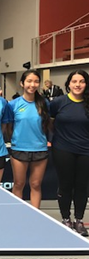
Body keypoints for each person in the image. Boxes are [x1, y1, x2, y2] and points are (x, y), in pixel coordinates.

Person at [50, 69, 89, 236]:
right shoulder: (58, 102)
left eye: (81, 81)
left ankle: (79, 220)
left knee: (82, 186)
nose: (78, 85)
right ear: (68, 84)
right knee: (65, 185)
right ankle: (66, 219)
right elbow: (49, 123)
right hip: (63, 149)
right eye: (74, 81)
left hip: (86, 151)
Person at [8, 70, 50, 209]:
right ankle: (17, 215)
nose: (32, 84)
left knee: (36, 184)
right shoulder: (13, 105)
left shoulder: (44, 103)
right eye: (29, 81)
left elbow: (48, 124)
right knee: (19, 184)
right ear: (22, 83)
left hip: (40, 149)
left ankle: (35, 215)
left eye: (36, 81)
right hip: (19, 149)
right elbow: (9, 127)